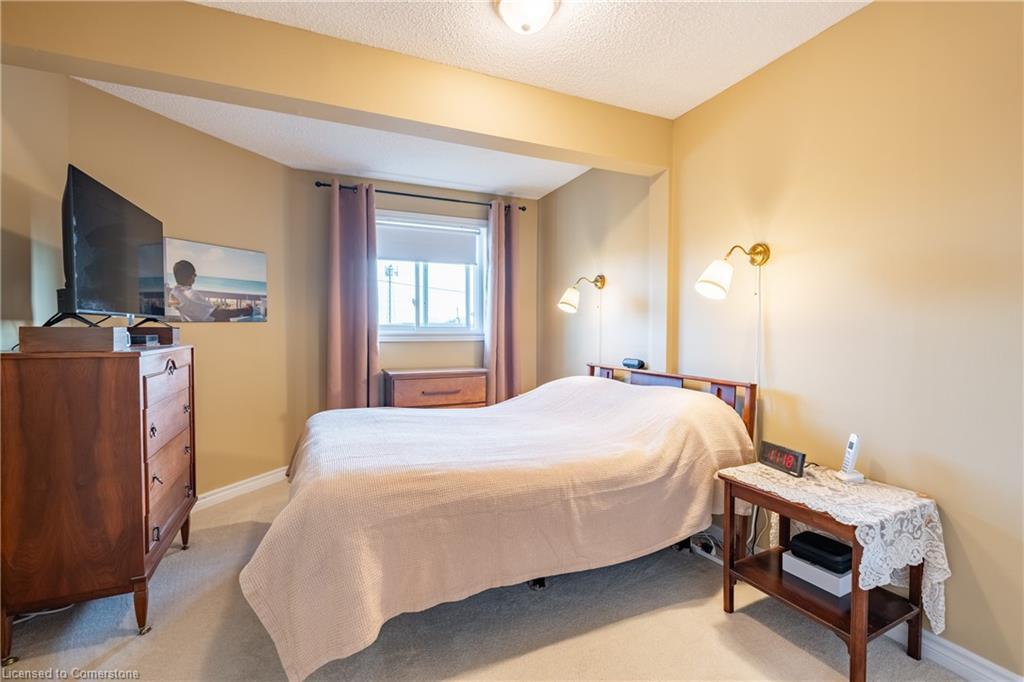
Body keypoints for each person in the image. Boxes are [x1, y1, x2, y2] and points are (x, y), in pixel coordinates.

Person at [168, 260, 253, 322]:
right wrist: (245, 310)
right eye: (194, 273)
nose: (196, 275)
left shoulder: (174, 292)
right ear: (189, 276)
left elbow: (197, 309)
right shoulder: (192, 295)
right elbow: (219, 314)